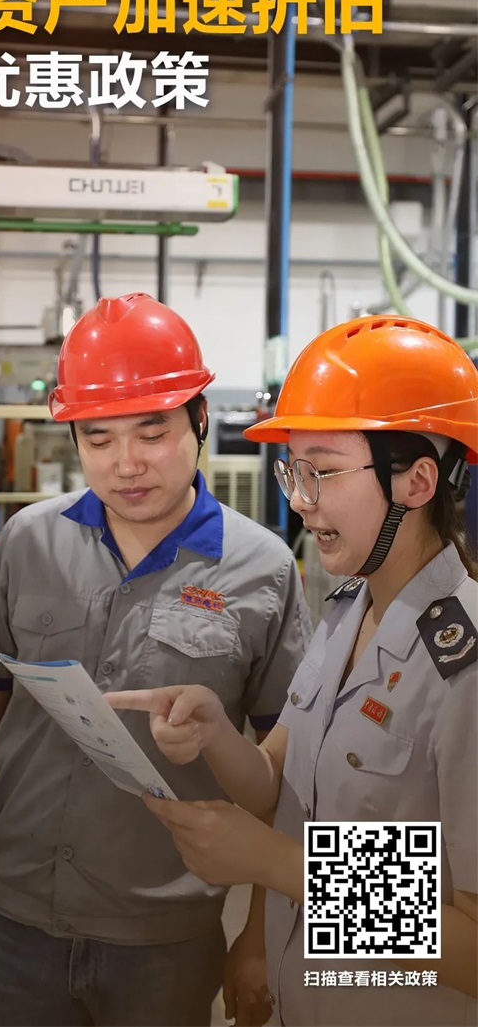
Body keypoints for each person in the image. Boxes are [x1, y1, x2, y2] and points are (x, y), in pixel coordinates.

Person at [0, 292, 311, 1027]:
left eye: (152, 432)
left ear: (199, 418)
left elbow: (292, 773)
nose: (127, 464)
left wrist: (261, 932)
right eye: (97, 439)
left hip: (166, 936)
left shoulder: (264, 569)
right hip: (14, 916)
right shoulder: (28, 542)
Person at [108, 315, 478, 1027]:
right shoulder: (346, 614)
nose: (300, 500)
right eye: (294, 471)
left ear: (417, 481)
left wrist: (276, 864)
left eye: (323, 471)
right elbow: (276, 781)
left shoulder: (463, 666)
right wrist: (216, 733)